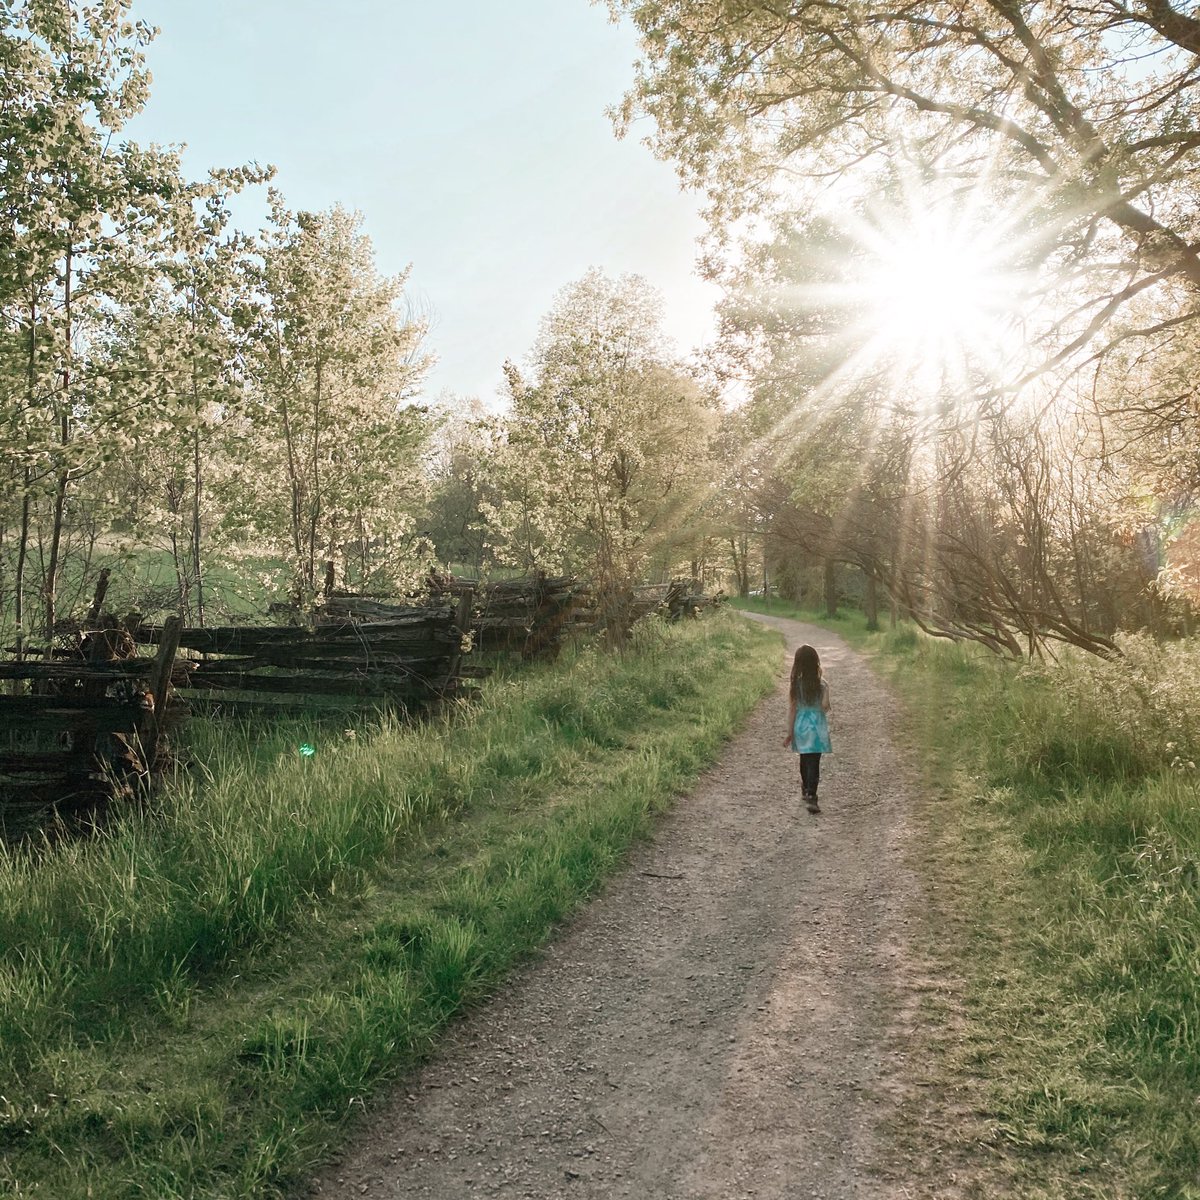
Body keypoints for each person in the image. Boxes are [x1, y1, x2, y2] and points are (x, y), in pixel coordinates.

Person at [782, 643, 832, 813]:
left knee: (804, 759)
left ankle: (805, 788)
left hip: (801, 727)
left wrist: (790, 732)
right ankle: (812, 795)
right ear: (815, 662)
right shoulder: (822, 684)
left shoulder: (796, 685)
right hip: (816, 728)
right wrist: (826, 693)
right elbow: (825, 707)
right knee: (814, 761)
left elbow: (792, 709)